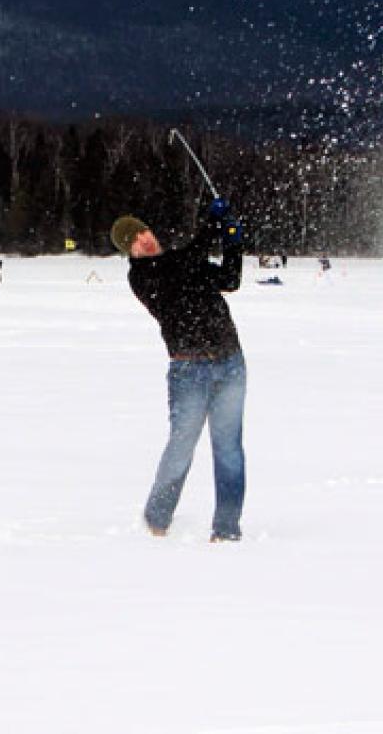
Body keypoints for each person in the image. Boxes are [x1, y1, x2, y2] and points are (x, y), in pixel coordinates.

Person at [111, 199, 247, 542]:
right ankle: (157, 518)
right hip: (190, 371)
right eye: (135, 240)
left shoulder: (182, 260)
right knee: (181, 447)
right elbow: (187, 262)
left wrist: (233, 243)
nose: (145, 238)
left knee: (229, 449)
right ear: (129, 252)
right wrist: (211, 225)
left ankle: (227, 530)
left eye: (144, 231)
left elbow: (229, 280)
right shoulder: (143, 276)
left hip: (231, 363)